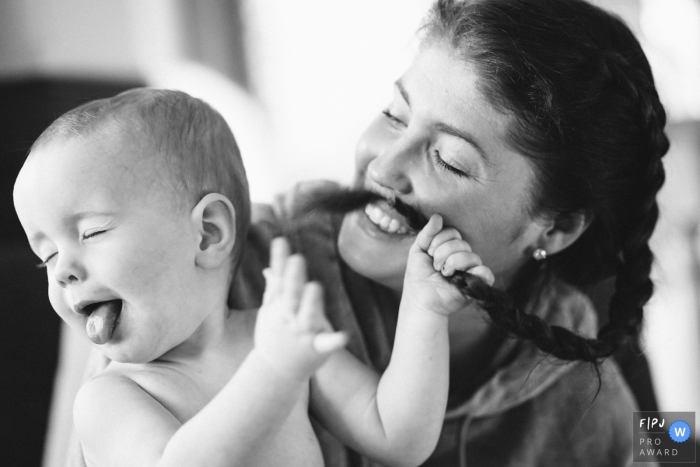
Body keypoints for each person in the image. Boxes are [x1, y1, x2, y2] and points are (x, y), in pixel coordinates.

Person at [226, 0, 669, 465]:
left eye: (449, 160)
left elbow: (673, 448)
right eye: (396, 114)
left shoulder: (590, 351)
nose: (382, 166)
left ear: (557, 228)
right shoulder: (244, 272)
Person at [13, 88, 494, 467]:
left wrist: (423, 308)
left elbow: (398, 437)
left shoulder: (277, 333)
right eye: (47, 255)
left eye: (91, 231)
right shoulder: (110, 398)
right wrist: (274, 371)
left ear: (207, 233)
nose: (63, 271)